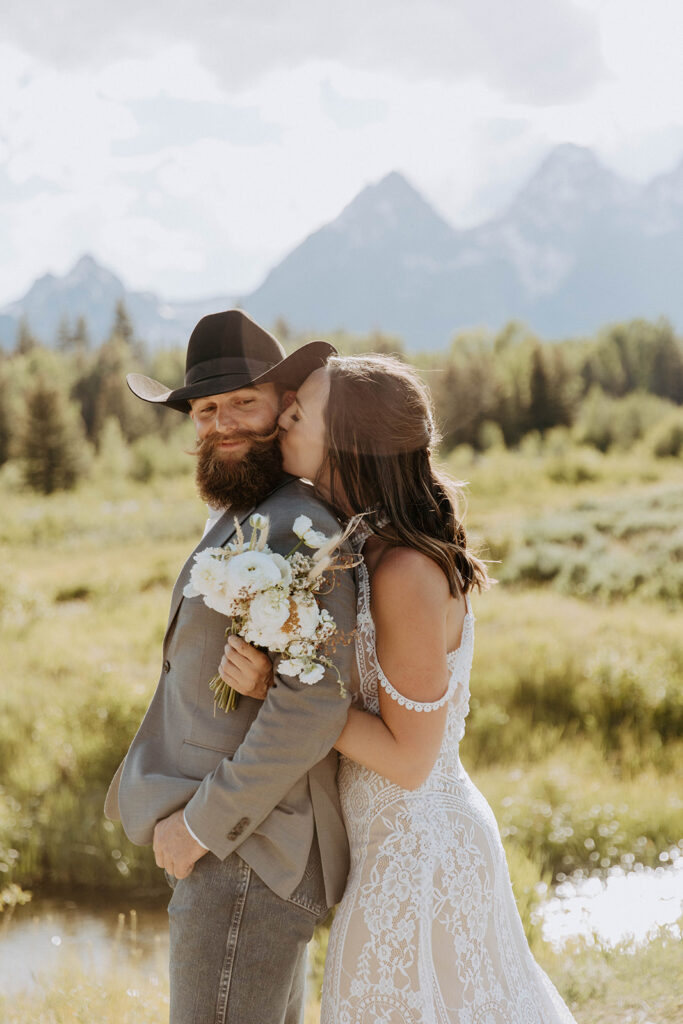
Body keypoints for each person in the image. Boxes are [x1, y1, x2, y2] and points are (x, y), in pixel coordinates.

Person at [222, 353, 579, 1023]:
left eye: (301, 412)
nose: (285, 418)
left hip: (419, 854)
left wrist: (281, 687)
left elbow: (410, 759)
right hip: (392, 846)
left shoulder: (403, 570)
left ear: (349, 441)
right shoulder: (365, 548)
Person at [104, 310, 357, 1024]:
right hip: (241, 853)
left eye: (243, 401)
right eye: (206, 409)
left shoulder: (300, 529)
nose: (222, 422)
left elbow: (312, 705)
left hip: (247, 849)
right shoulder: (247, 512)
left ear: (284, 406)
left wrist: (202, 827)